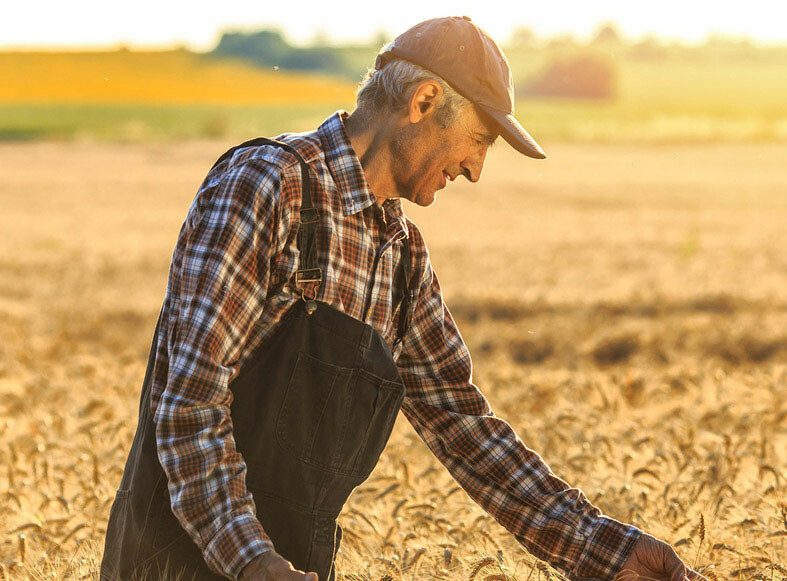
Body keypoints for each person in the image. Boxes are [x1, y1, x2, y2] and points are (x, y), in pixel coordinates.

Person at [99, 16, 706, 581]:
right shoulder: (269, 185)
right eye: (481, 140)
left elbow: (462, 423)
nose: (475, 170)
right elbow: (188, 410)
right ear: (423, 103)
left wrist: (608, 551)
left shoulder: (401, 256)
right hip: (174, 561)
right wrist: (254, 562)